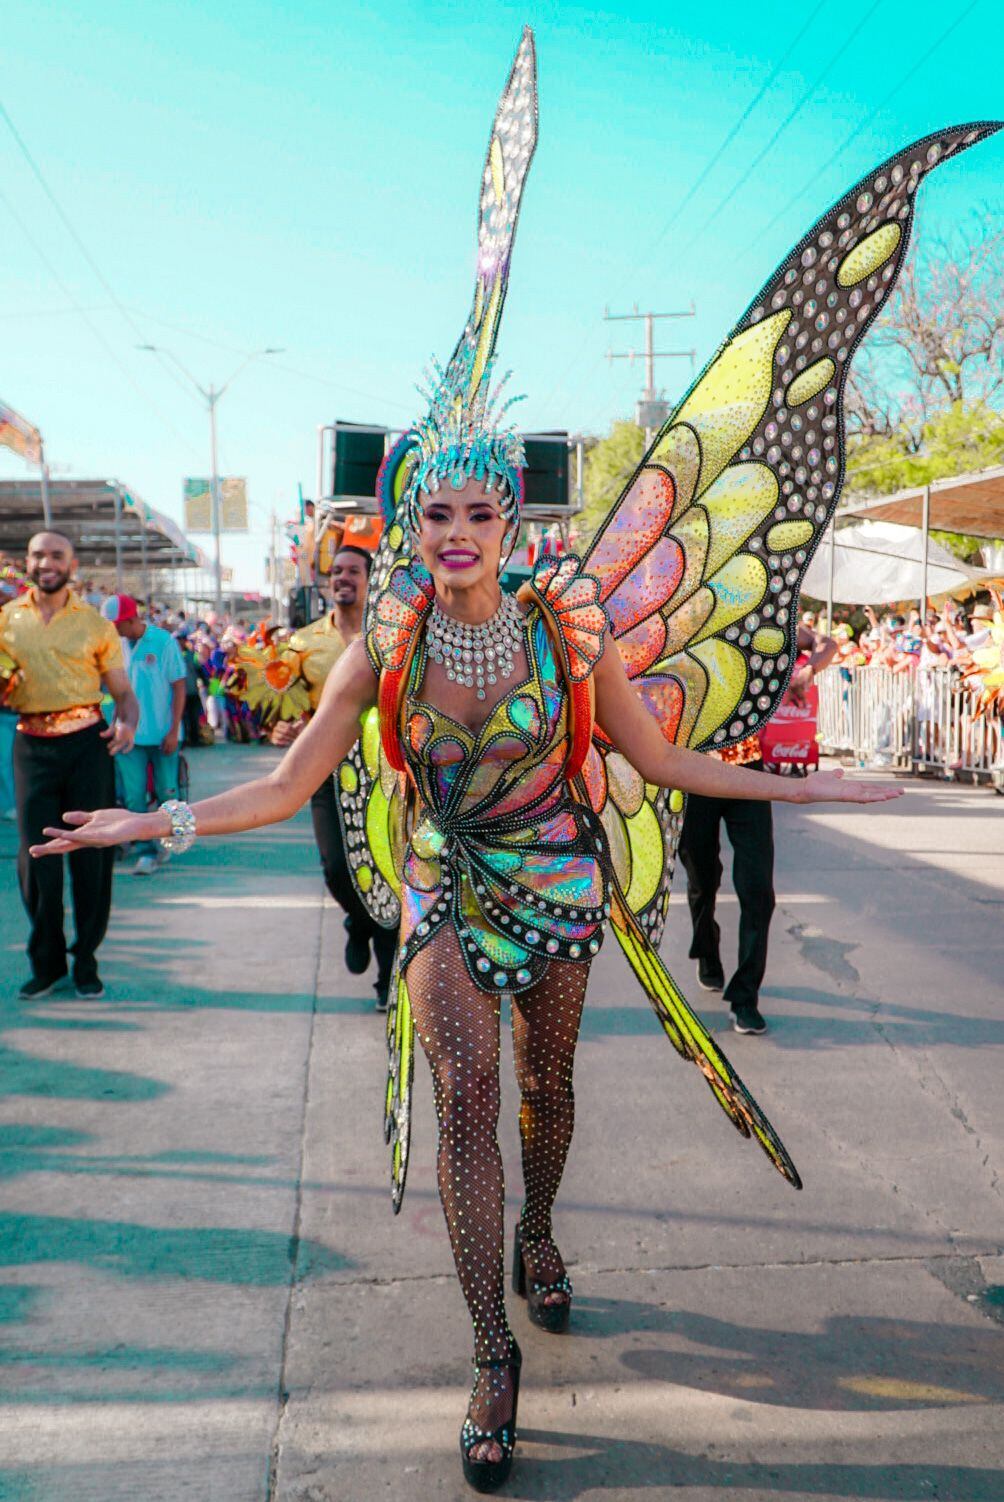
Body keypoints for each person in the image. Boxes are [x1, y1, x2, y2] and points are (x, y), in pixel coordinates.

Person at [27, 36, 990, 1494]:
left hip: (558, 885)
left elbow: (666, 757)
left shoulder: (565, 621)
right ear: (410, 527)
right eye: (438, 514)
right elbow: (287, 785)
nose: (462, 531)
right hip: (439, 888)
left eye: (483, 508)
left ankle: (544, 1227)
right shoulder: (385, 647)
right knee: (464, 1097)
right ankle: (493, 1352)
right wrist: (150, 815)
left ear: (512, 521)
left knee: (551, 1104)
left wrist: (817, 785)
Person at [678, 623, 838, 1036]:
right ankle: (707, 949)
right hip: (695, 772)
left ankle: (745, 996)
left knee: (758, 892)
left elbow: (826, 643)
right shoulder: (693, 614)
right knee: (702, 876)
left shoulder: (765, 622)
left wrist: (808, 670)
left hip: (748, 774)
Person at [1, 532, 137, 999]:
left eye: (56, 555)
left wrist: (127, 723)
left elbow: (123, 694)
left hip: (87, 745)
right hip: (31, 746)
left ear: (72, 564)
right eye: (38, 554)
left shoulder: (96, 626)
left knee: (91, 853)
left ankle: (86, 961)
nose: (47, 562)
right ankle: (48, 963)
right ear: (28, 561)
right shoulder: (6, 620)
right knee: (35, 857)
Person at [271, 545, 397, 1009]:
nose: (343, 578)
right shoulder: (301, 644)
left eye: (353, 571)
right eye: (336, 572)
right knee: (338, 870)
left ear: (371, 578)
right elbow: (285, 707)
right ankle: (358, 921)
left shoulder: (392, 636)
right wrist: (283, 728)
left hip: (383, 774)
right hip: (324, 770)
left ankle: (387, 979)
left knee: (385, 874)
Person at [102, 594, 186, 876]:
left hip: (163, 733)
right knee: (134, 797)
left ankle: (172, 839)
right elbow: (116, 691)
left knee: (167, 792)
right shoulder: (115, 646)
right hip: (129, 736)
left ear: (130, 619)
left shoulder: (163, 642)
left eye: (117, 624)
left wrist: (174, 729)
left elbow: (179, 687)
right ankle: (145, 851)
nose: (114, 630)